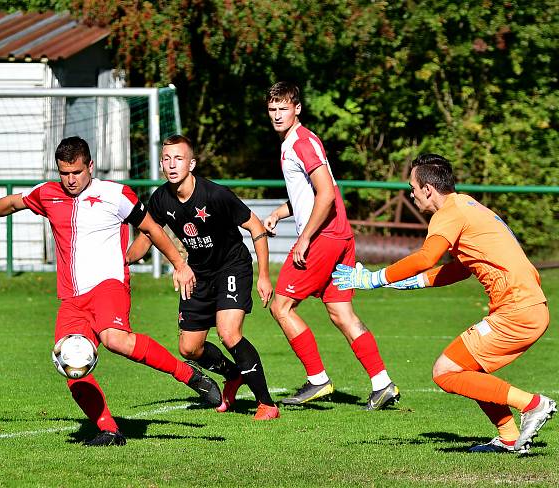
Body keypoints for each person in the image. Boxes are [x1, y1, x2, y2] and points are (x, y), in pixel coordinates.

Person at [0, 136, 222, 447]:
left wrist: (179, 264)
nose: (70, 180)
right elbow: (12, 202)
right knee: (72, 363)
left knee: (115, 339)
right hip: (72, 297)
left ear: (90, 166)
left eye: (76, 172)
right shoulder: (48, 194)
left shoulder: (115, 194)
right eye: (64, 173)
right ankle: (110, 430)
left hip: (108, 284)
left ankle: (188, 375)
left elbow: (151, 228)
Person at [331, 153, 554, 453]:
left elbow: (426, 257)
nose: (411, 193)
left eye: (412, 186)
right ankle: (509, 436)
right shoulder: (468, 206)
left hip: (517, 309)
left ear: (427, 189)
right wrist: (412, 281)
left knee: (446, 371)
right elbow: (461, 267)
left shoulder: (448, 212)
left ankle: (532, 404)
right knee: (468, 369)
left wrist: (375, 278)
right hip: (529, 308)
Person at [262, 81, 399, 410]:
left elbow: (325, 194)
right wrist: (280, 214)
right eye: (272, 109)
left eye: (283, 108)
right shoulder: (301, 141)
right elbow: (311, 195)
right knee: (341, 312)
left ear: (297, 109)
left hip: (323, 238)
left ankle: (317, 379)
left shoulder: (300, 143)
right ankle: (383, 384)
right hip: (340, 236)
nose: (278, 115)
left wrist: (305, 237)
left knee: (282, 306)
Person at [126, 135, 279, 420]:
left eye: (179, 159)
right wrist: (120, 260)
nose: (172, 165)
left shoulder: (215, 195)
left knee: (229, 333)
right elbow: (145, 240)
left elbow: (255, 226)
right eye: (167, 159)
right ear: (161, 164)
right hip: (198, 273)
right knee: (189, 348)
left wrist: (264, 276)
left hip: (232, 266)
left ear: (191, 164)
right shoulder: (160, 199)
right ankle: (233, 375)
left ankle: (267, 403)